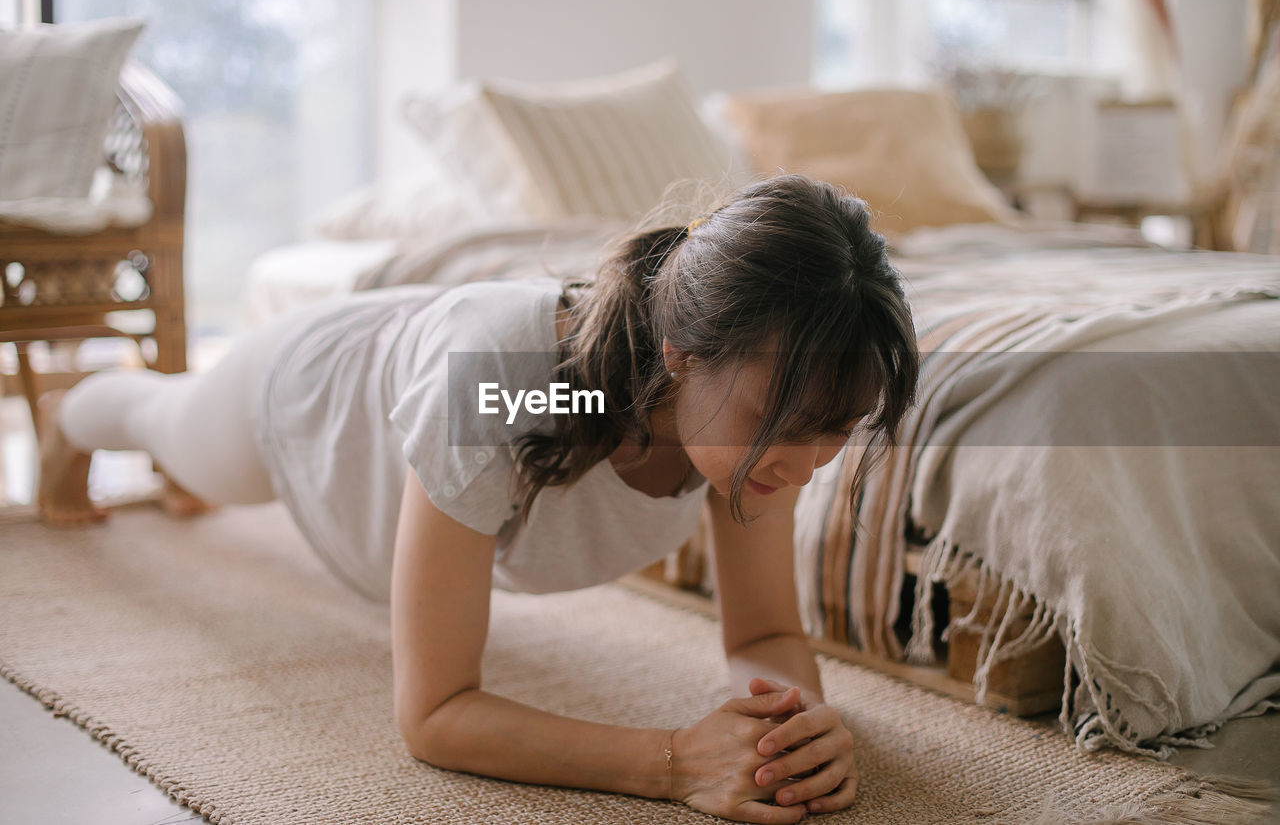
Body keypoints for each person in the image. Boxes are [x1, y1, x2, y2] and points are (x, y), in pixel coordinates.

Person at [35, 172, 919, 824]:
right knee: (166, 421)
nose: (806, 462)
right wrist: (671, 760)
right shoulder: (510, 387)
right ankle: (71, 406)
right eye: (785, 421)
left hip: (437, 365)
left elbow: (763, 634)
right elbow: (435, 713)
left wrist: (793, 731)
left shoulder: (760, 427)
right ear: (684, 350)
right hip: (316, 401)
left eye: (836, 428)